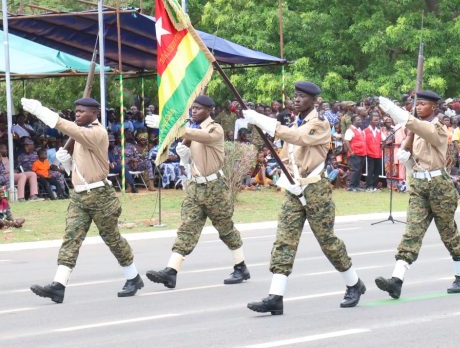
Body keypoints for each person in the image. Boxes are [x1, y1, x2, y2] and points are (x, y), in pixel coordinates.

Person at [243, 81, 365, 315]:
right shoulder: (296, 122)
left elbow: (299, 138)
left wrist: (265, 121)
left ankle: (354, 284)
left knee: (327, 241)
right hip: (294, 189)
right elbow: (287, 153)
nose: (296, 100)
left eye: (302, 97)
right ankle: (275, 296)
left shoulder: (318, 124)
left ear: (314, 101)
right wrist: (282, 175)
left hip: (315, 189)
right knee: (284, 240)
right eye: (295, 96)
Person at [23, 97, 142, 303]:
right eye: (76, 111)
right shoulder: (80, 135)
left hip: (100, 196)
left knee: (111, 238)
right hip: (79, 194)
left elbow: (69, 128)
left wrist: (43, 112)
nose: (77, 114)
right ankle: (58, 285)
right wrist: (68, 163)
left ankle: (133, 277)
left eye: (82, 111)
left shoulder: (96, 132)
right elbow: (80, 170)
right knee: (71, 237)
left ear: (95, 113)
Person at [145, 95, 249, 288]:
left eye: (198, 108)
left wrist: (172, 126)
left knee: (225, 229)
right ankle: (171, 271)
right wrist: (182, 152)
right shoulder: (190, 131)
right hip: (195, 186)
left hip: (214, 188)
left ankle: (241, 266)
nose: (194, 111)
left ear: (209, 111)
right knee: (187, 228)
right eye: (192, 108)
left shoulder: (214, 128)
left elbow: (204, 137)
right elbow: (185, 150)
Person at [374, 91, 460, 299]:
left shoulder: (437, 128)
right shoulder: (415, 130)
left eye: (423, 104)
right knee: (412, 232)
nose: (419, 107)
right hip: (419, 184)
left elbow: (418, 126)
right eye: (418, 104)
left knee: (447, 232)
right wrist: (407, 158)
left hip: (439, 186)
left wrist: (394, 111)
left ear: (433, 108)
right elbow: (414, 142)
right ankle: (396, 280)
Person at [344, 114, 367, 192]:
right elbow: (346, 141)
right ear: (353, 121)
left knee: (359, 170)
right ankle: (351, 186)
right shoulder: (350, 130)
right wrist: (351, 151)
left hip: (362, 153)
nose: (360, 121)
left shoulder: (359, 129)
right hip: (355, 153)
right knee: (355, 170)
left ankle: (356, 186)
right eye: (358, 120)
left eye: (360, 120)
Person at [364, 113, 383, 191]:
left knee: (377, 171)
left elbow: (384, 140)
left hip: (378, 154)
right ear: (370, 121)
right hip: (369, 154)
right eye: (375, 120)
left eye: (378, 120)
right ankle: (369, 186)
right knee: (370, 170)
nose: (377, 121)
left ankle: (375, 186)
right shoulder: (365, 131)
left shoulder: (379, 131)